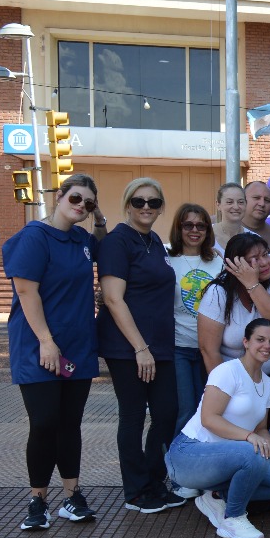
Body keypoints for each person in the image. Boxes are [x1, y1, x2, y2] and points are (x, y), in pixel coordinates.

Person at [7, 174, 103, 530]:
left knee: (69, 424)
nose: (81, 206)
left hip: (78, 343)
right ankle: (37, 500)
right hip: (39, 344)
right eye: (76, 198)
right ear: (59, 195)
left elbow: (105, 248)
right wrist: (46, 340)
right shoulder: (35, 236)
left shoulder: (82, 239)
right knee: (45, 422)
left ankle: (72, 496)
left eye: (88, 203)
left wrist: (101, 217)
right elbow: (27, 293)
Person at [164, 318, 270, 538]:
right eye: (260, 339)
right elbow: (209, 419)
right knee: (253, 452)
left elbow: (261, 430)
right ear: (246, 342)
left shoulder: (267, 383)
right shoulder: (227, 371)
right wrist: (249, 437)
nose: (267, 345)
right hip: (189, 454)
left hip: (230, 457)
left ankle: (216, 498)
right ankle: (233, 517)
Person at [98, 177, 182, 514]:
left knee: (166, 413)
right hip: (128, 347)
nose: (146, 207)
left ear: (161, 207)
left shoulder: (154, 241)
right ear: (127, 205)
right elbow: (113, 300)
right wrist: (139, 348)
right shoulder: (118, 242)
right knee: (132, 417)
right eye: (138, 201)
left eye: (153, 202)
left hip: (159, 345)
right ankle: (136, 491)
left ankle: (153, 481)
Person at [199, 233, 270, 375]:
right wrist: (226, 389)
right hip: (234, 376)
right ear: (235, 264)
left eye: (265, 254)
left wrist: (252, 285)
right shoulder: (218, 292)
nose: (264, 262)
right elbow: (209, 351)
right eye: (254, 259)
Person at [169, 203, 223, 435]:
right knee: (186, 408)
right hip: (179, 346)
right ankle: (176, 463)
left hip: (211, 348)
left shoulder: (217, 261)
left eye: (201, 225)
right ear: (178, 228)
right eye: (188, 224)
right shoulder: (167, 259)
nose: (195, 230)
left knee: (208, 408)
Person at [242, 180, 270, 251]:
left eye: (267, 200)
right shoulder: (223, 227)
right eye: (256, 198)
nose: (262, 204)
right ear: (243, 199)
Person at [212, 182, 248, 248]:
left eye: (240, 202)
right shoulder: (205, 235)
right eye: (229, 202)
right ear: (218, 204)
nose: (236, 207)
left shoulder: (254, 239)